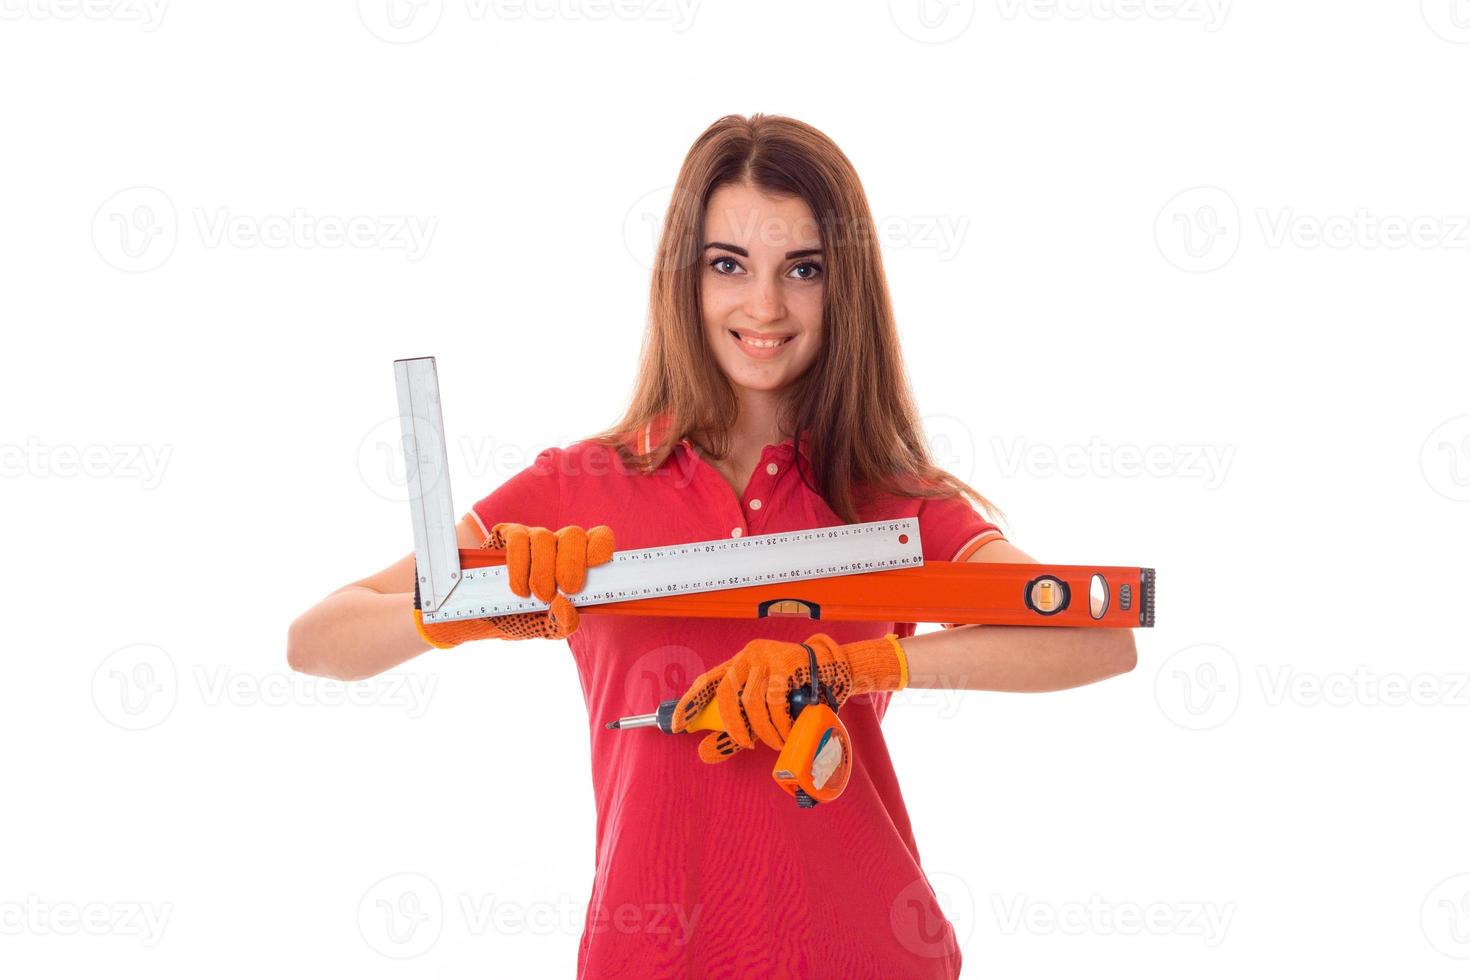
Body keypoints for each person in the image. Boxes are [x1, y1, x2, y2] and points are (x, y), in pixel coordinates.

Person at [288, 113, 1138, 979]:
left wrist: (853, 669)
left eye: (801, 270)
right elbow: (319, 640)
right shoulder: (580, 486)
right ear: (684, 281)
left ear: (842, 288)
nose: (763, 307)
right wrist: (461, 611)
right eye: (728, 265)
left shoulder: (892, 502)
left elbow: (1099, 637)